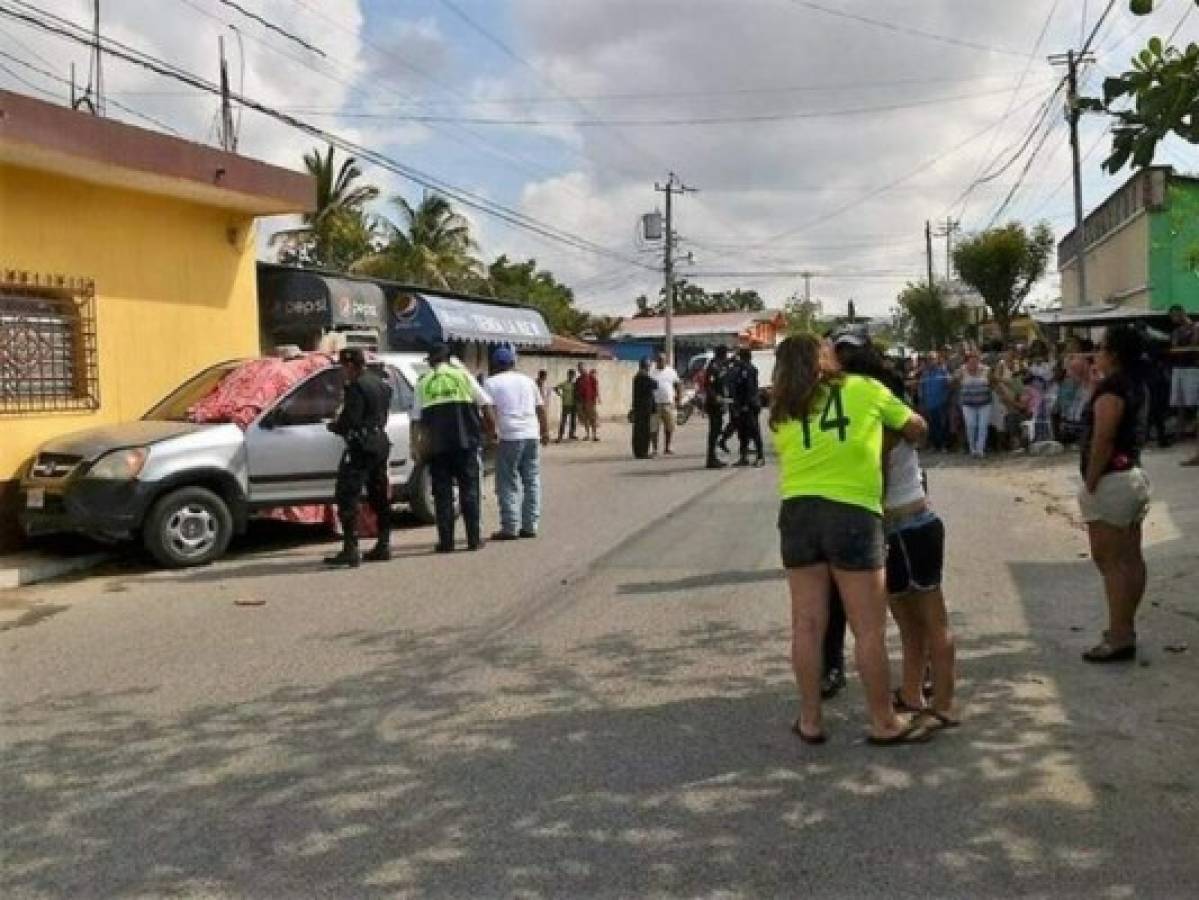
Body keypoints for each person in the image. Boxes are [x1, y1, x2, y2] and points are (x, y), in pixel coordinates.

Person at [769, 332, 930, 745]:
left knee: (806, 625)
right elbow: (916, 425)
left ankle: (810, 720)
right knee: (869, 628)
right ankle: (884, 721)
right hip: (853, 511)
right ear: (825, 357)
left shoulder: (783, 410)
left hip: (798, 513)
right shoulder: (866, 389)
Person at [882, 378, 958, 735]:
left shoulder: (884, 430)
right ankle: (912, 692)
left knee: (930, 621)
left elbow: (876, 483)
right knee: (911, 624)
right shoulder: (905, 422)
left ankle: (943, 704)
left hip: (906, 527)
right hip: (913, 524)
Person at [1078, 326, 1152, 662]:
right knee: (1131, 558)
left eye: (1101, 347)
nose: (1096, 352)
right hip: (1132, 475)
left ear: (1115, 353)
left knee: (1110, 562)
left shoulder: (1113, 389)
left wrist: (1091, 479)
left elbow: (1103, 437)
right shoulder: (1136, 383)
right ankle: (1125, 627)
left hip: (1111, 481)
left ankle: (1119, 635)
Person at [413, 343, 496, 553]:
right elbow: (486, 405)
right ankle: (473, 540)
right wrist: (492, 432)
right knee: (470, 491)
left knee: (442, 495)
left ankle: (446, 542)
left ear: (431, 362)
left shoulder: (423, 383)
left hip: (438, 448)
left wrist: (417, 447)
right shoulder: (463, 377)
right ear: (448, 359)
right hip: (465, 444)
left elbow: (416, 422)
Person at [324, 348, 393, 568]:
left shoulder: (355, 387)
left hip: (361, 446)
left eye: (343, 367)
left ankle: (351, 549)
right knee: (379, 494)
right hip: (380, 442)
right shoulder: (380, 384)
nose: (343, 372)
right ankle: (384, 543)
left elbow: (351, 419)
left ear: (351, 365)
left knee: (346, 495)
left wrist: (335, 426)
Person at [485, 348, 549, 540]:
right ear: (513, 363)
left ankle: (510, 526)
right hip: (531, 434)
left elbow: (487, 410)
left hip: (509, 436)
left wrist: (492, 432)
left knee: (507, 481)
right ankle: (530, 525)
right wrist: (545, 432)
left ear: (495, 365)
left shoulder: (491, 383)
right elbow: (541, 408)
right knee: (531, 480)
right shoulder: (528, 381)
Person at [1168, 305, 1199, 465]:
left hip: (1192, 368)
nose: (1173, 319)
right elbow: (1174, 347)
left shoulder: (1195, 327)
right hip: (1179, 367)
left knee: (1194, 403)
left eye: (1175, 315)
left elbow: (1193, 346)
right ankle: (1180, 433)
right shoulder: (1176, 332)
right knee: (1179, 403)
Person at [729, 348, 766, 467]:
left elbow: (750, 389)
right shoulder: (740, 369)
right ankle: (743, 457)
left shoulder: (749, 369)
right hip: (741, 405)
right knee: (743, 432)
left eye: (739, 357)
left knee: (754, 431)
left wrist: (745, 405)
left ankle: (760, 457)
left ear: (743, 357)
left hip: (750, 405)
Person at [955, 350, 994, 459]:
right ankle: (972, 449)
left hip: (985, 403)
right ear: (967, 361)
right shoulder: (962, 370)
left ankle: (980, 450)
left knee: (983, 426)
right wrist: (956, 377)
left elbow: (992, 383)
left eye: (975, 359)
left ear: (979, 360)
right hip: (968, 404)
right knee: (971, 426)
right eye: (970, 360)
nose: (973, 362)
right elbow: (954, 382)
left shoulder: (987, 370)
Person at [704, 346, 733, 469]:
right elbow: (708, 385)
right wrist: (716, 397)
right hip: (713, 404)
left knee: (716, 430)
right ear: (723, 354)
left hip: (719, 404)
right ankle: (711, 459)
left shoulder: (720, 365)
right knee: (714, 432)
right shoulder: (713, 367)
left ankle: (713, 457)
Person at [918, 352, 952, 452]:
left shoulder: (943, 371)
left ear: (937, 359)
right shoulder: (925, 373)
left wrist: (946, 398)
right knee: (931, 425)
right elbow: (921, 388)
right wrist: (922, 401)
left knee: (942, 425)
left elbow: (949, 385)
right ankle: (934, 445)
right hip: (928, 403)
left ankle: (943, 446)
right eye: (929, 359)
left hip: (941, 403)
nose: (931, 361)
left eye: (933, 358)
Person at [651, 352, 681, 455]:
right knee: (654, 427)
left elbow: (678, 385)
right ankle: (654, 448)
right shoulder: (651, 371)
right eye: (659, 360)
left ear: (665, 361)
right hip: (655, 404)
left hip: (668, 403)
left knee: (669, 426)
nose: (661, 362)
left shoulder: (671, 371)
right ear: (656, 361)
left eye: (662, 360)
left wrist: (679, 400)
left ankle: (667, 447)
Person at [631, 358, 658, 460]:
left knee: (639, 430)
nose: (649, 367)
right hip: (644, 408)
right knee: (643, 430)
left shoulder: (639, 376)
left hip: (640, 407)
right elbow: (655, 384)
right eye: (649, 366)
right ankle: (642, 452)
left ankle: (639, 451)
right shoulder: (642, 376)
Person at [576, 364, 601, 441]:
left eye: (582, 368)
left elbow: (596, 389)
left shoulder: (591, 378)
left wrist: (598, 398)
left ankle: (595, 435)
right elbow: (576, 391)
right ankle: (587, 435)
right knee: (585, 419)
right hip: (581, 402)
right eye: (579, 369)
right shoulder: (578, 379)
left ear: (585, 368)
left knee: (592, 418)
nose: (581, 370)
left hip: (590, 401)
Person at [554, 369, 578, 442]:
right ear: (568, 375)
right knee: (563, 420)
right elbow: (556, 388)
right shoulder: (564, 383)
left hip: (574, 404)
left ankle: (571, 434)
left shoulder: (575, 384)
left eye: (573, 375)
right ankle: (560, 435)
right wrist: (561, 395)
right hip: (566, 404)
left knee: (573, 420)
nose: (571, 376)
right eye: (570, 375)